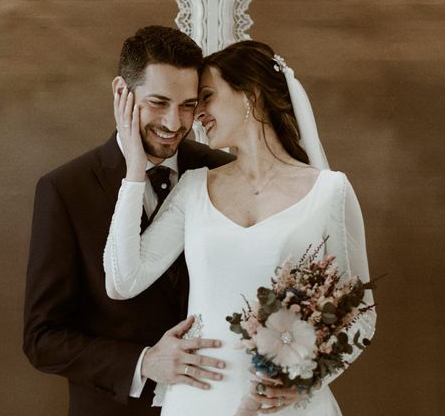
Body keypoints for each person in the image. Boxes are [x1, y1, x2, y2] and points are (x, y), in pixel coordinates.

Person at [104, 40, 376, 415]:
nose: (196, 114)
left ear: (250, 94)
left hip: (283, 405)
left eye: (206, 97)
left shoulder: (329, 191)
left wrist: (305, 383)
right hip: (198, 400)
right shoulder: (194, 188)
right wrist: (134, 170)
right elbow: (122, 281)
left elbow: (362, 313)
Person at [23, 25, 236, 416]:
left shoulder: (223, 172)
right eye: (158, 102)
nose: (174, 123)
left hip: (216, 403)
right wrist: (143, 363)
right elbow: (42, 339)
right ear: (122, 92)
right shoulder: (65, 189)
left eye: (188, 105)